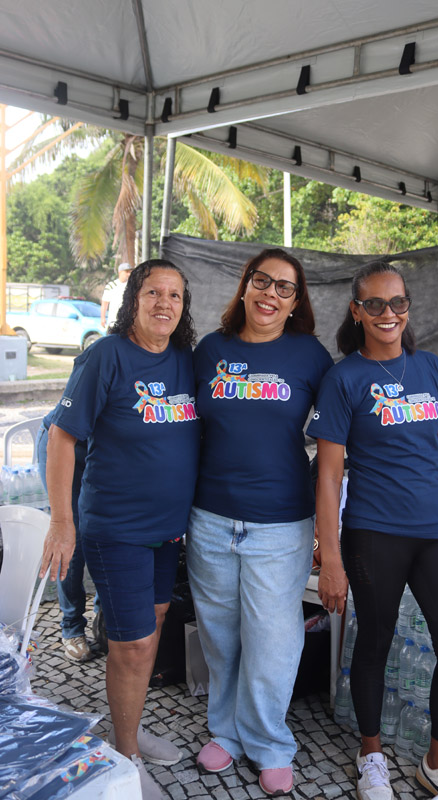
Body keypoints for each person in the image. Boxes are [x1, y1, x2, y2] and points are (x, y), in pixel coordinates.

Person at [307, 260, 438, 798]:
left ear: (408, 308)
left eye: (398, 303)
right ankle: (372, 755)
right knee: (374, 644)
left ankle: (436, 764)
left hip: (437, 534)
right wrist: (329, 554)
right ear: (357, 311)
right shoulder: (344, 378)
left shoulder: (428, 367)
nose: (389, 313)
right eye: (376, 304)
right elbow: (329, 474)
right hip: (374, 534)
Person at [39, 258, 201, 800]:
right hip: (116, 526)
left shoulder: (184, 361)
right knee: (131, 646)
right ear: (134, 299)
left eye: (175, 295)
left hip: (166, 531)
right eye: (154, 292)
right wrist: (62, 521)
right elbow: (63, 437)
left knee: (150, 629)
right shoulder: (104, 356)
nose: (165, 303)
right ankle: (124, 758)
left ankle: (125, 726)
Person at [187, 248, 333, 796]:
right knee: (221, 635)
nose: (271, 294)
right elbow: (184, 428)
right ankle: (225, 731)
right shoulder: (210, 351)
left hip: (280, 523)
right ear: (245, 286)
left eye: (285, 288)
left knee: (273, 639)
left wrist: (328, 522)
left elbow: (336, 439)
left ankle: (269, 742)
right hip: (210, 517)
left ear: (296, 302)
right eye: (262, 281)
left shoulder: (310, 356)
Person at [36, 414, 99, 662]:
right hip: (64, 442)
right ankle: (72, 627)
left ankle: (103, 618)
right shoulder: (96, 373)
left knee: (107, 536)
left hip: (106, 451)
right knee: (71, 540)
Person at [101, 262, 133, 331]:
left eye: (130, 272)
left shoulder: (132, 287)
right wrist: (103, 317)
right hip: (113, 323)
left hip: (127, 323)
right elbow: (105, 303)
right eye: (126, 272)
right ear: (120, 272)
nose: (129, 274)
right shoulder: (111, 286)